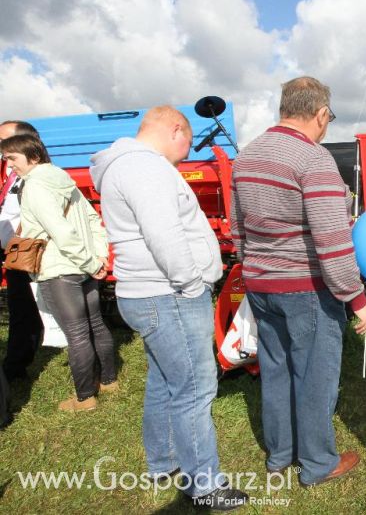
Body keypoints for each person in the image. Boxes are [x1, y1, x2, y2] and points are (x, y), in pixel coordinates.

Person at [89, 106, 248, 510]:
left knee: (164, 379)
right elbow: (165, 234)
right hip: (169, 293)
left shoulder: (122, 166)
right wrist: (193, 284)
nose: (186, 150)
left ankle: (163, 461)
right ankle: (206, 485)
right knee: (195, 387)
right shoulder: (146, 168)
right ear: (176, 128)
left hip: (146, 293)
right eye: (187, 141)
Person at [231, 76, 366, 486]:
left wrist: (256, 267)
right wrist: (355, 297)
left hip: (261, 285)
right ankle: (317, 464)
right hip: (306, 289)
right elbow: (332, 240)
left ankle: (279, 454)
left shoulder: (247, 156)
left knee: (275, 369)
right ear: (321, 113)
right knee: (315, 377)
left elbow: (237, 229)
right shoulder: (314, 159)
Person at [1, 134, 115, 412]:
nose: (9, 166)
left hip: (59, 268)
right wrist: (97, 257)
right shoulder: (63, 179)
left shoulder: (36, 186)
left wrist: (90, 261)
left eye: (12, 159)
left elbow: (60, 232)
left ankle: (84, 398)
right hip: (82, 265)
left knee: (76, 334)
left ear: (34, 156)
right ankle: (109, 381)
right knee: (96, 325)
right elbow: (92, 220)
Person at [0, 121, 44, 382]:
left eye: (3, 141)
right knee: (20, 308)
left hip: (22, 250)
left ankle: (15, 366)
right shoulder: (9, 170)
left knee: (24, 309)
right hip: (8, 248)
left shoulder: (35, 176)